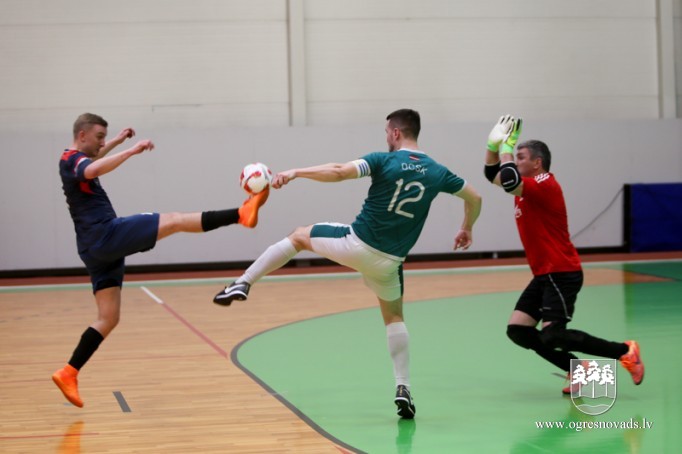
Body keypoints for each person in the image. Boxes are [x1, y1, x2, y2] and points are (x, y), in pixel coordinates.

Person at [213, 108, 483, 419]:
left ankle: (243, 282)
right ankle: (403, 387)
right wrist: (467, 227)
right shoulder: (438, 172)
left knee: (299, 236)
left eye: (387, 132)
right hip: (390, 263)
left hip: (356, 244)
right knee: (394, 316)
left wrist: (297, 172)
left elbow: (340, 171)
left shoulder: (384, 161)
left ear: (396, 133)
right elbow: (475, 198)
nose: (386, 137)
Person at [53, 113, 269, 408]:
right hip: (105, 234)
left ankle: (69, 372)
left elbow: (95, 159)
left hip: (94, 249)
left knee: (108, 318)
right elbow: (92, 168)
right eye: (99, 137)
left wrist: (117, 141)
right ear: (81, 135)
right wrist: (131, 150)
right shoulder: (71, 160)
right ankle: (241, 214)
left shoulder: (75, 159)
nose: (102, 143)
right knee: (175, 220)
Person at [483, 115, 644, 394]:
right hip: (544, 274)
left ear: (537, 163)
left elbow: (507, 180)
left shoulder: (544, 183)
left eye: (521, 157)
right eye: (515, 157)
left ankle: (624, 351)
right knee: (518, 330)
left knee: (553, 335)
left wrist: (507, 146)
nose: (516, 161)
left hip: (560, 271)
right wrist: (491, 145)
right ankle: (576, 369)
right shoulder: (525, 187)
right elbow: (492, 175)